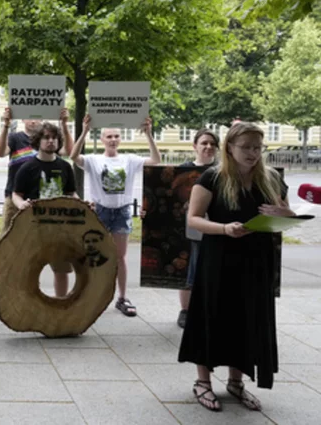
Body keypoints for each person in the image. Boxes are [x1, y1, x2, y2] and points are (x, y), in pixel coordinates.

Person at [179, 122, 294, 412]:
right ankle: (203, 382)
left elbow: (286, 217)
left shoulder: (271, 179)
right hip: (218, 257)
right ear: (229, 147)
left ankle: (236, 382)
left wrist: (285, 213)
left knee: (246, 319)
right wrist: (224, 228)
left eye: (258, 147)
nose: (253, 153)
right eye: (246, 147)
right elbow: (193, 219)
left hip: (256, 261)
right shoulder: (212, 177)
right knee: (212, 315)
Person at [70, 114, 160, 317]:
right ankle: (91, 295)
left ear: (120, 138)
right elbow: (74, 157)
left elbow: (155, 160)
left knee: (120, 257)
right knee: (95, 255)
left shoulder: (129, 160)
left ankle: (122, 297)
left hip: (121, 211)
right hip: (100, 211)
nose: (112, 139)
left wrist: (148, 134)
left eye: (116, 136)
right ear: (102, 139)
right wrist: (84, 131)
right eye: (108, 136)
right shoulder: (94, 160)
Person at [0, 106, 73, 303]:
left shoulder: (51, 139)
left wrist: (64, 124)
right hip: (16, 199)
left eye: (37, 116)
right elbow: (0, 152)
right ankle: (1, 287)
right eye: (29, 116)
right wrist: (5, 125)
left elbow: (68, 151)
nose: (33, 120)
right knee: (9, 244)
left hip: (48, 204)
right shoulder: (16, 137)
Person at [13, 122, 78, 297]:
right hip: (35, 227)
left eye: (54, 138)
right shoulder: (27, 167)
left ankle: (61, 304)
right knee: (30, 269)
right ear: (38, 141)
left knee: (62, 270)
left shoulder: (66, 167)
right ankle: (32, 306)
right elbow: (16, 194)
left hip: (60, 228)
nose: (51, 141)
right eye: (46, 137)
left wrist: (82, 205)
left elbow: (72, 193)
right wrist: (21, 204)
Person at [176, 129, 219, 329]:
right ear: (195, 146)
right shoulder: (183, 170)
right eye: (204, 143)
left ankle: (210, 310)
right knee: (189, 269)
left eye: (212, 143)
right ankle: (185, 310)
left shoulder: (222, 171)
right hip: (190, 227)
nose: (208, 147)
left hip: (215, 227)